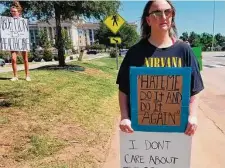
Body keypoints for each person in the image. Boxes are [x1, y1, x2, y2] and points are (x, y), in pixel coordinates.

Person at [116, 0, 204, 136]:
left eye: (168, 12)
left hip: (177, 131)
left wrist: (193, 116)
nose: (163, 16)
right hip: (140, 131)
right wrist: (125, 117)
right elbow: (123, 90)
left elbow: (195, 88)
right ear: (148, 20)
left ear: (172, 17)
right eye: (157, 12)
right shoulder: (135, 52)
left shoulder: (184, 50)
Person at [10, 1, 31, 81]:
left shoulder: (23, 21)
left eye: (14, 11)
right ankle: (15, 76)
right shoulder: (9, 21)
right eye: (11, 11)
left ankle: (27, 75)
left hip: (22, 41)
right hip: (12, 41)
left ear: (18, 12)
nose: (13, 13)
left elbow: (25, 32)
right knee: (13, 59)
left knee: (25, 59)